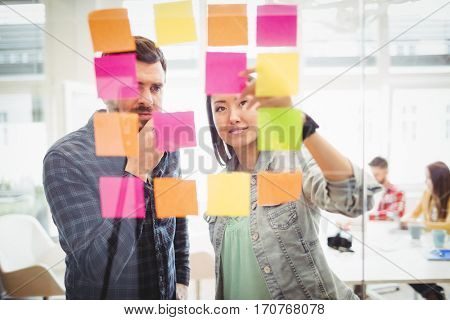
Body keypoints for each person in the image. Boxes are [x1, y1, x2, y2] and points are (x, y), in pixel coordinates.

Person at [204, 69, 381, 299]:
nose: (233, 117)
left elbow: (355, 199)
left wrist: (301, 124)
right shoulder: (222, 182)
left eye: (244, 103)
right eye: (220, 107)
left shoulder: (291, 161)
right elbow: (230, 271)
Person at [43, 36, 189, 299]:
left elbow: (177, 217)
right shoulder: (65, 158)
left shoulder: (167, 141)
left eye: (156, 88)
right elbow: (98, 268)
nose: (146, 100)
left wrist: (182, 280)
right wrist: (136, 173)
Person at [401, 161, 449, 300]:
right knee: (404, 266)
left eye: (428, 177)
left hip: (446, 247)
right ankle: (433, 293)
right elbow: (414, 213)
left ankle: (433, 293)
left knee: (412, 267)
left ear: (438, 179)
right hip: (431, 246)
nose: (425, 181)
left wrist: (423, 224)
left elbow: (448, 225)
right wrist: (405, 219)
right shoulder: (427, 194)